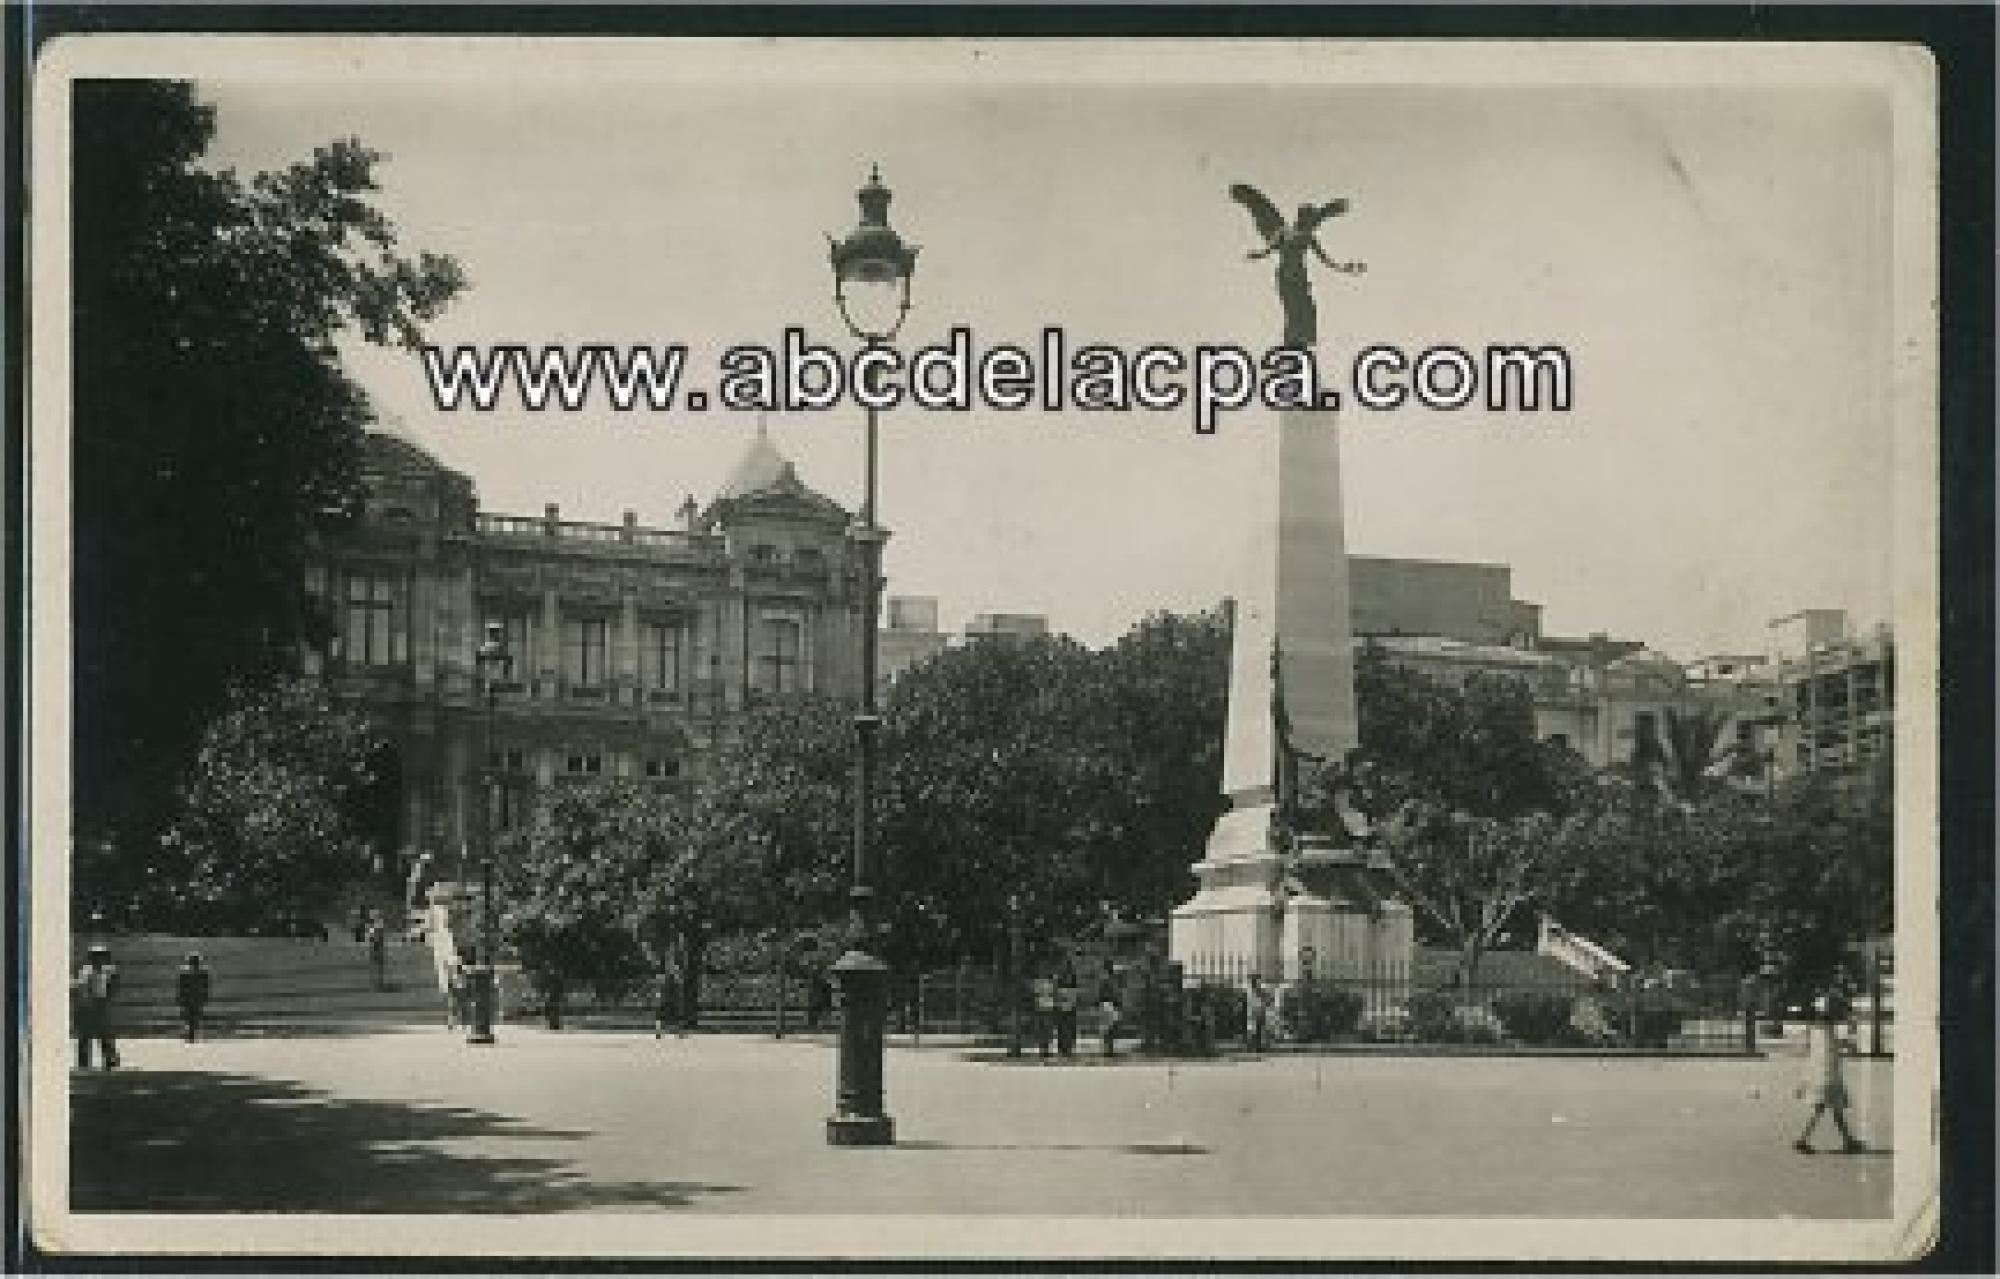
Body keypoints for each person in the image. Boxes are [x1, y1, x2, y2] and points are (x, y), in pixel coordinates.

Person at [1795, 993, 1866, 1154]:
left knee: (1835, 1110)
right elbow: (1840, 1046)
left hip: (1819, 1075)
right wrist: (1851, 1033)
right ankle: (1802, 1139)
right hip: (1828, 1076)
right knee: (1826, 1108)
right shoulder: (1828, 1031)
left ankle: (1848, 1141)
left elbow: (1816, 1051)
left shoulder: (1816, 1029)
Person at [73, 944, 121, 1070]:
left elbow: (113, 986)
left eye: (102, 957)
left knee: (105, 1034)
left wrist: (107, 998)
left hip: (101, 1003)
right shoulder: (86, 971)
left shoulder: (108, 971)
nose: (99, 960)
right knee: (85, 1035)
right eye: (96, 957)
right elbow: (82, 988)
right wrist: (87, 1003)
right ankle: (83, 1062)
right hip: (88, 1005)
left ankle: (110, 1059)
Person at [175, 952, 212, 1042]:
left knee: (190, 1016)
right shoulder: (202, 973)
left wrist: (181, 997)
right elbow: (204, 987)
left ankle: (191, 1034)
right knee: (194, 1016)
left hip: (190, 997)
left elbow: (182, 987)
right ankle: (193, 1034)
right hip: (195, 997)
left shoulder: (185, 972)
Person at [1053, 961, 1080, 1058]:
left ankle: (1068, 1048)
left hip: (1070, 1008)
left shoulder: (1073, 981)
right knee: (1062, 1029)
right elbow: (1056, 995)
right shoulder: (1060, 981)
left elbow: (1075, 995)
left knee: (1069, 1029)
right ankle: (1062, 1048)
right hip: (1062, 1008)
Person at [1096, 960, 1122, 1058]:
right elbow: (1110, 994)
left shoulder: (1106, 979)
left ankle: (1108, 1049)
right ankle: (1108, 1049)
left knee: (1108, 1028)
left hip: (1107, 1004)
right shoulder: (1109, 980)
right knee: (1108, 1028)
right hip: (1108, 1004)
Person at [1030, 969, 1057, 1060]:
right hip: (1042, 1009)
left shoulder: (1050, 983)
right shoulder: (1039, 983)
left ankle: (1046, 1050)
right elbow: (1036, 995)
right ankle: (1043, 1051)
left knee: (1047, 1031)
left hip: (1048, 1008)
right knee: (1043, 1031)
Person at [1247, 973, 1276, 1052]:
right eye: (1256, 981)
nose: (1257, 983)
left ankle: (1262, 1046)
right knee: (1256, 1031)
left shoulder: (1261, 990)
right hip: (1256, 1013)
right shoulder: (1252, 992)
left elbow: (1268, 999)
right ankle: (1257, 1046)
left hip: (1261, 1012)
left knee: (1262, 1030)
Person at [366, 913, 389, 992]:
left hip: (377, 948)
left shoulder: (375, 927)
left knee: (377, 967)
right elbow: (373, 939)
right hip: (376, 948)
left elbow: (375, 939)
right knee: (376, 967)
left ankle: (377, 984)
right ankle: (377, 984)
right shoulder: (375, 927)